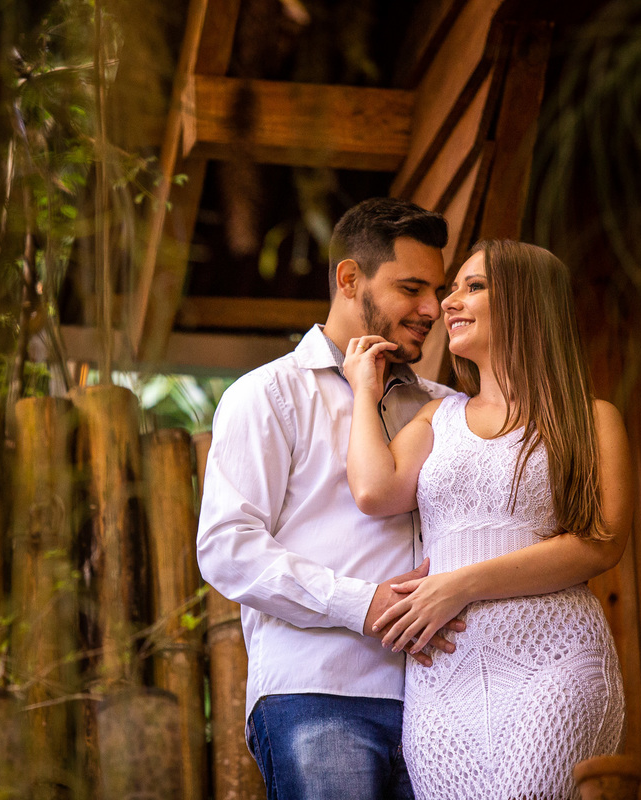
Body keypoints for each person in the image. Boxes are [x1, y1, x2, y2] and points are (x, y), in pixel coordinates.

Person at [343, 239, 632, 800]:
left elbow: (600, 545)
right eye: (454, 288)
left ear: (528, 301)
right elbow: (374, 490)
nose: (448, 302)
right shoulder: (438, 416)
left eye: (472, 286)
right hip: (443, 676)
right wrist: (363, 390)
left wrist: (459, 586)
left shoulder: (593, 419)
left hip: (555, 660)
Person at [196, 196, 458, 800]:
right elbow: (227, 548)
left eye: (436, 290)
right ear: (349, 279)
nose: (431, 310)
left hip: (443, 700)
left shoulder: (445, 408)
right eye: (412, 288)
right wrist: (361, 604)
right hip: (318, 695)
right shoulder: (265, 395)